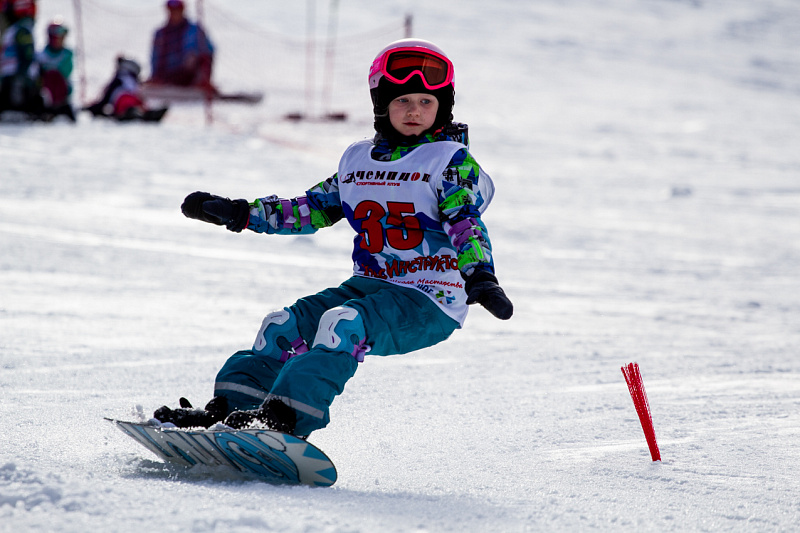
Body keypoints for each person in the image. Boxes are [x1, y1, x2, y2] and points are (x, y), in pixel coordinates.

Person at [155, 39, 513, 438]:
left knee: (343, 324)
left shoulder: (449, 163)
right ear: (381, 104)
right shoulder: (358, 161)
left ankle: (285, 419)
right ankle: (229, 411)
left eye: (426, 102)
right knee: (282, 326)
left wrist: (480, 275)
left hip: (429, 298)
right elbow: (311, 209)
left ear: (442, 108)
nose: (414, 111)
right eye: (402, 101)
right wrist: (239, 213)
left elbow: (465, 221)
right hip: (371, 285)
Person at [149, 0, 214, 89]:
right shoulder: (161, 33)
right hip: (167, 74)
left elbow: (209, 51)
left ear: (182, 11)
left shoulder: (194, 30)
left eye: (177, 10)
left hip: (189, 73)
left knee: (195, 59)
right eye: (171, 10)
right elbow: (155, 56)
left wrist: (194, 54)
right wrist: (154, 76)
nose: (174, 13)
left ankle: (201, 83)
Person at [84, 56, 167, 122]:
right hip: (124, 102)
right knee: (129, 103)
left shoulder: (124, 80)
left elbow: (106, 98)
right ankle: (134, 113)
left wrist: (96, 109)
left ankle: (143, 113)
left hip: (130, 101)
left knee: (136, 105)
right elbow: (106, 99)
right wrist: (95, 109)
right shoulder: (122, 80)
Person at [0, 0, 41, 116]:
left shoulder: (22, 30)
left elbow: (27, 55)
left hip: (19, 78)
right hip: (8, 76)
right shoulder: (13, 29)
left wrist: (20, 77)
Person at [36, 19, 75, 121]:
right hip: (45, 93)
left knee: (54, 75)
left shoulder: (67, 54)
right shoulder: (41, 55)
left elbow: (66, 71)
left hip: (62, 93)